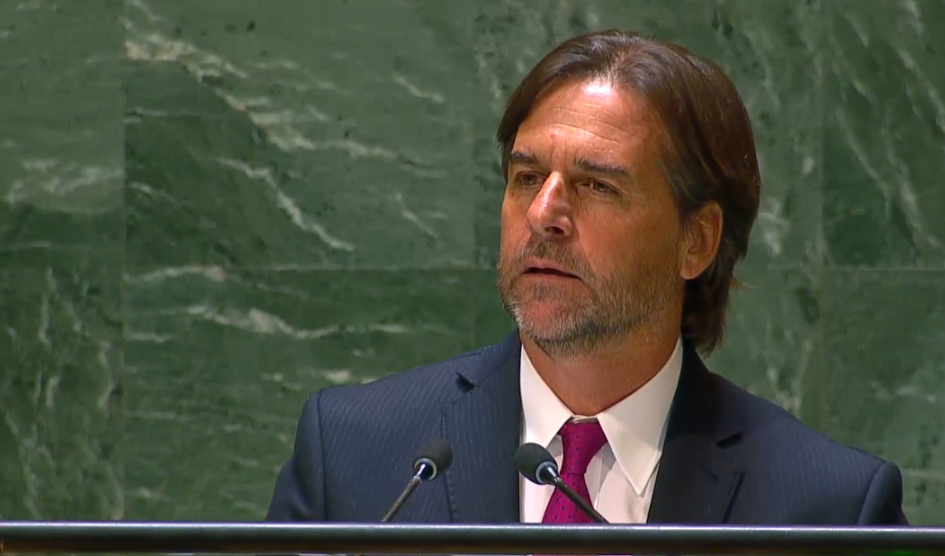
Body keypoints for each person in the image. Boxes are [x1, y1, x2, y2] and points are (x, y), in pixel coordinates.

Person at [266, 30, 907, 526]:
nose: (543, 214)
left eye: (597, 186)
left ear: (696, 241)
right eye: (526, 178)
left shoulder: (828, 505)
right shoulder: (356, 456)